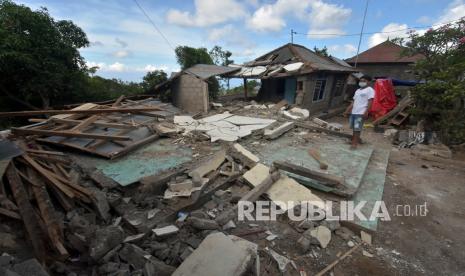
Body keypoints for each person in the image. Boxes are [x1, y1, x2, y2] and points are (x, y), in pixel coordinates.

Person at [344, 75, 374, 149]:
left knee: (357, 129)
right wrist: (347, 110)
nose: (362, 82)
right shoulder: (358, 90)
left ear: (368, 82)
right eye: (361, 81)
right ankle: (354, 140)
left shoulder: (370, 90)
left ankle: (354, 144)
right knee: (354, 128)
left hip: (361, 113)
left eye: (364, 81)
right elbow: (353, 102)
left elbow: (370, 101)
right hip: (354, 112)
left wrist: (366, 112)